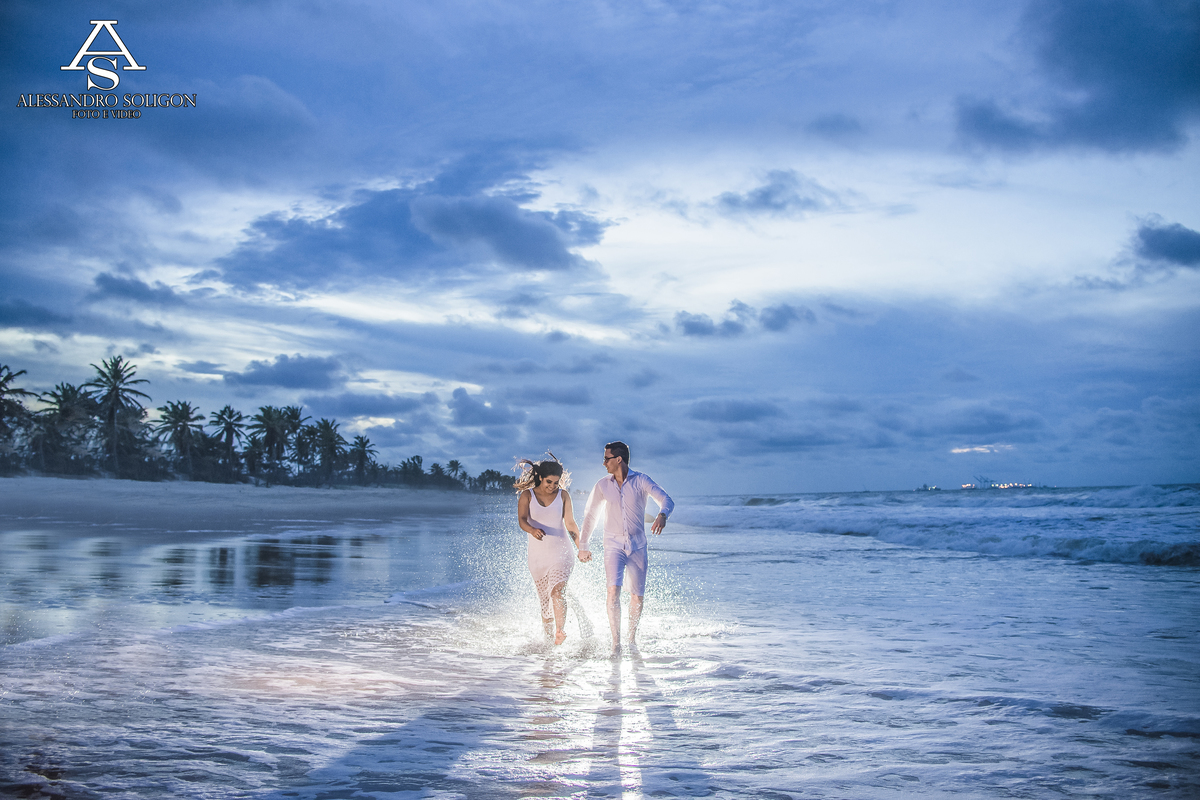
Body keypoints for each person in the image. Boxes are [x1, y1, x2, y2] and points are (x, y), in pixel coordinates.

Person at [577, 441, 674, 654]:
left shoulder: (641, 481)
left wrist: (662, 514)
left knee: (637, 595)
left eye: (607, 458)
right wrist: (583, 545)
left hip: (638, 546)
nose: (603, 463)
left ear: (618, 459)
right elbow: (591, 515)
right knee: (613, 591)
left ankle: (631, 639)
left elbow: (666, 499)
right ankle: (616, 642)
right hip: (612, 545)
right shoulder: (602, 485)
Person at [515, 454, 581, 645]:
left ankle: (560, 631)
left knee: (557, 592)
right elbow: (522, 520)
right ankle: (548, 641)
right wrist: (532, 529)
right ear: (540, 478)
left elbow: (570, 524)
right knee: (545, 601)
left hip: (561, 552)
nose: (553, 486)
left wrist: (581, 548)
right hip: (537, 557)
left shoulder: (563, 496)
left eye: (556, 482)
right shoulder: (527, 495)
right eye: (549, 482)